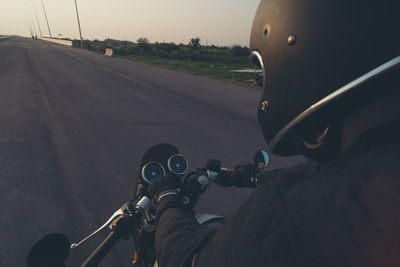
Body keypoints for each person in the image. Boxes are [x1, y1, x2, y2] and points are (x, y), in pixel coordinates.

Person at [148, 0, 400, 266]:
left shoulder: (286, 217)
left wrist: (166, 199)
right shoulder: (376, 165)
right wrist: (251, 177)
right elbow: (335, 173)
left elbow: (187, 258)